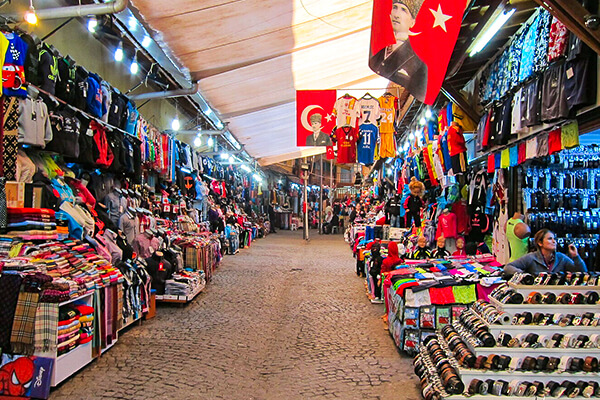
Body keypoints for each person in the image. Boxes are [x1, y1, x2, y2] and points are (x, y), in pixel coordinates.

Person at [368, 0, 428, 101]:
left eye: (404, 10)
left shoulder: (417, 61)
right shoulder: (381, 52)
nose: (397, 15)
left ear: (413, 21)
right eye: (395, 7)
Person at [504, 228, 587, 276]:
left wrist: (576, 256)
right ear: (540, 243)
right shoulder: (531, 257)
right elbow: (508, 267)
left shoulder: (561, 258)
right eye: (550, 239)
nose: (554, 241)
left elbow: (582, 273)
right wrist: (525, 276)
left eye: (554, 239)